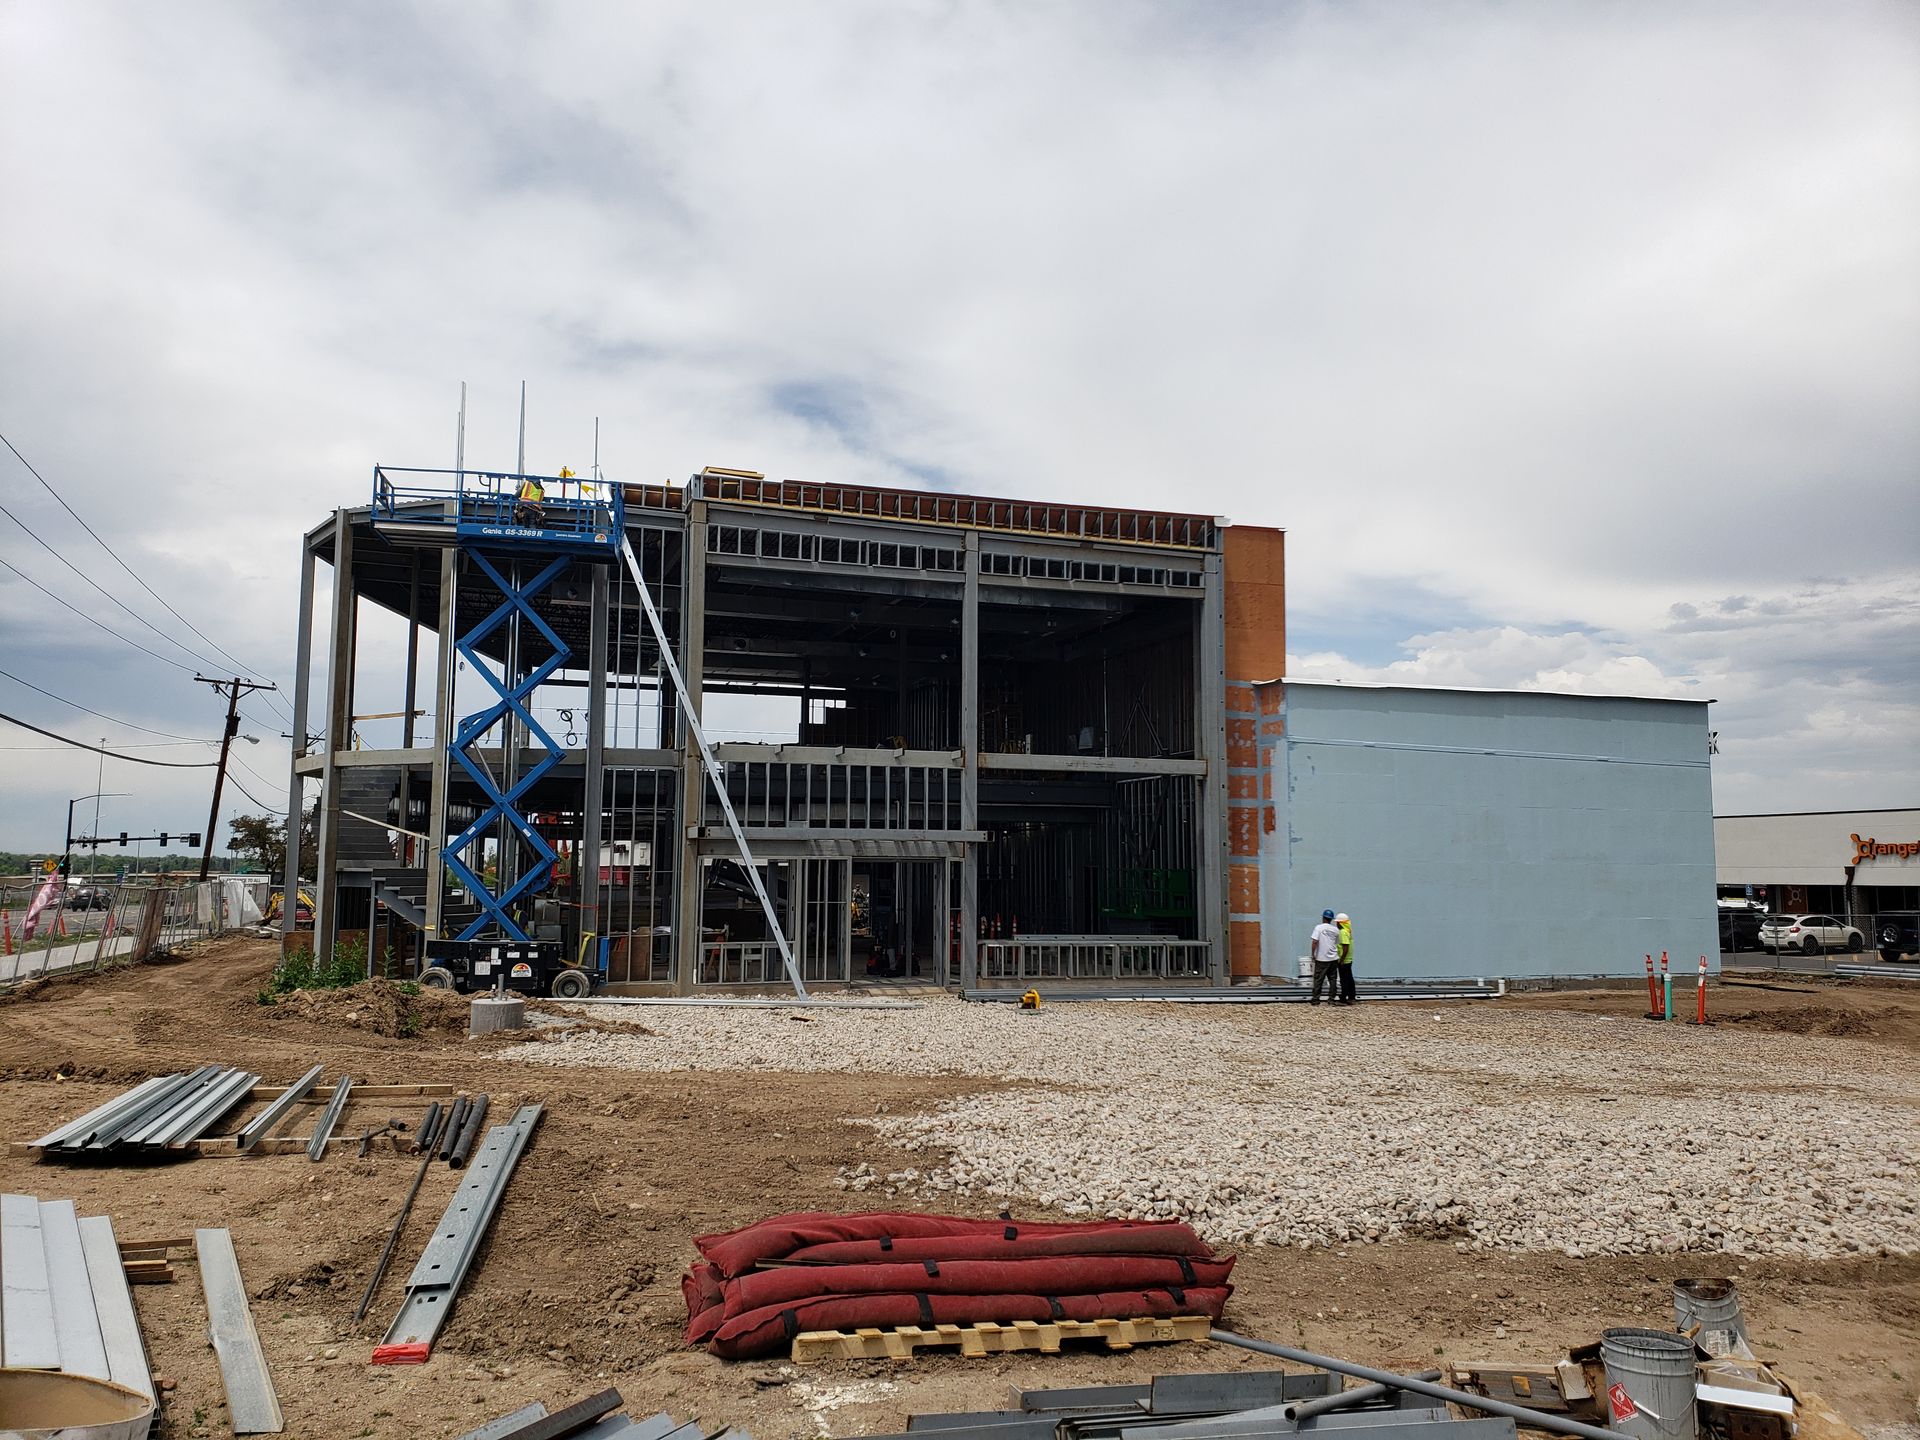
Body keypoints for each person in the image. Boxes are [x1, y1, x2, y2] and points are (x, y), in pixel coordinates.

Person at [1308, 908, 1341, 1005]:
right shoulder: (1336, 930)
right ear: (1331, 919)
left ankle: (1316, 999)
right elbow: (1336, 943)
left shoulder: (1318, 928)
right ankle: (1331, 999)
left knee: (1318, 979)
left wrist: (1313, 954)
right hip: (1333, 958)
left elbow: (1315, 941)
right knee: (1333, 979)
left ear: (1323, 918)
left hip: (1321, 958)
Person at [1334, 912, 1356, 1005]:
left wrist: (1342, 959)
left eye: (1337, 922)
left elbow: (1345, 947)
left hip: (1344, 960)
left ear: (1340, 923)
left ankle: (1343, 998)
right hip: (1349, 959)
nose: (1336, 924)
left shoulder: (1343, 932)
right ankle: (1352, 997)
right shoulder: (1348, 931)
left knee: (1344, 979)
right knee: (1349, 978)